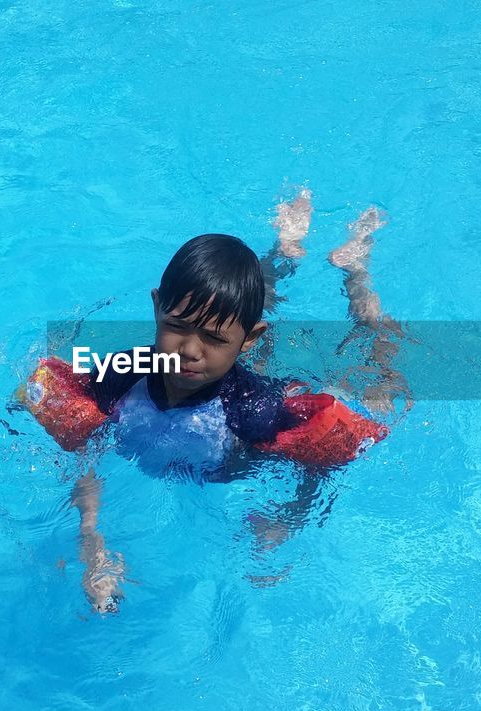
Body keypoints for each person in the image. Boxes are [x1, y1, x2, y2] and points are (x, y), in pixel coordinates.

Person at [42, 189, 410, 613]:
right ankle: (284, 248)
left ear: (246, 340)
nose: (190, 351)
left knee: (372, 352)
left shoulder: (255, 410)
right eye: (176, 326)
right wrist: (92, 540)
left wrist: (287, 520)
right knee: (231, 306)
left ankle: (355, 270)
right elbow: (81, 448)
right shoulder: (121, 374)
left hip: (255, 381)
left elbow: (318, 462)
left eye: (214, 340)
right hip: (233, 359)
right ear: (157, 308)